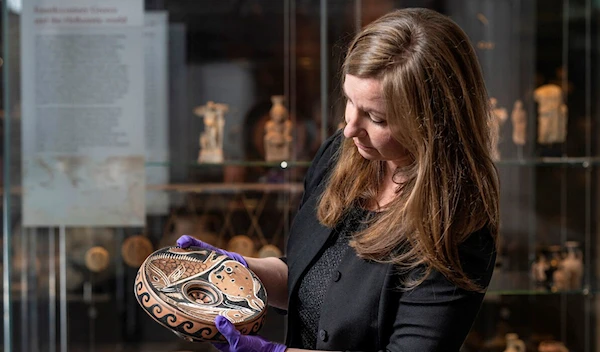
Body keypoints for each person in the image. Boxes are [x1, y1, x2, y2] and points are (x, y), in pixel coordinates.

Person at [177, 7, 499, 351]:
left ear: (431, 122)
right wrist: (239, 270)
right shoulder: (340, 155)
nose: (350, 128)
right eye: (349, 100)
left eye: (376, 117)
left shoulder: (455, 222)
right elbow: (313, 281)